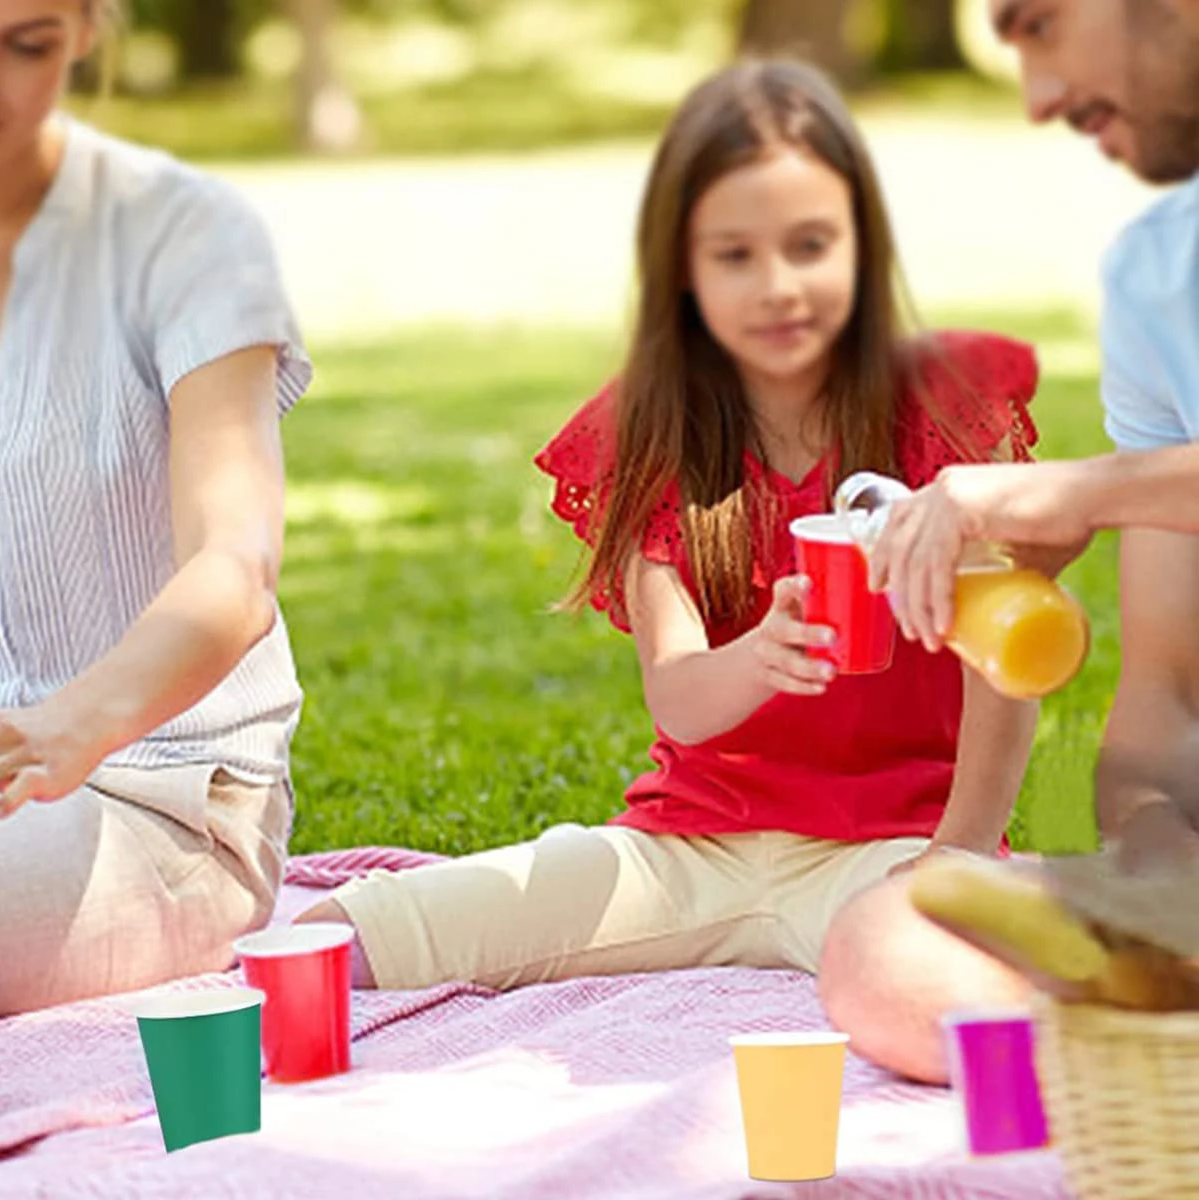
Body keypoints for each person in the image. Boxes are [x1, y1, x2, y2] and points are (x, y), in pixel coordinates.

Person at [299, 58, 1035, 1083]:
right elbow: (681, 700)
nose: (778, 285)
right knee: (355, 931)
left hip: (894, 852)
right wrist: (765, 655)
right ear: (683, 271)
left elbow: (1007, 661)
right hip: (689, 852)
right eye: (735, 254)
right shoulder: (653, 438)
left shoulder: (943, 407)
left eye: (811, 245)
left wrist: (960, 846)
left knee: (946, 989)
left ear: (863, 247)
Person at [0, 0, 311, 1013]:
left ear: (87, 31)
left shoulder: (190, 238)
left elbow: (235, 567)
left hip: (166, 800)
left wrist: (68, 725)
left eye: (27, 46)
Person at [860, 0, 1199, 857]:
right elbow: (1168, 704)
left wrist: (1082, 494)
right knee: (886, 946)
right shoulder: (1153, 279)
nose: (1038, 99)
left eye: (1041, 24)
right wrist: (1158, 859)